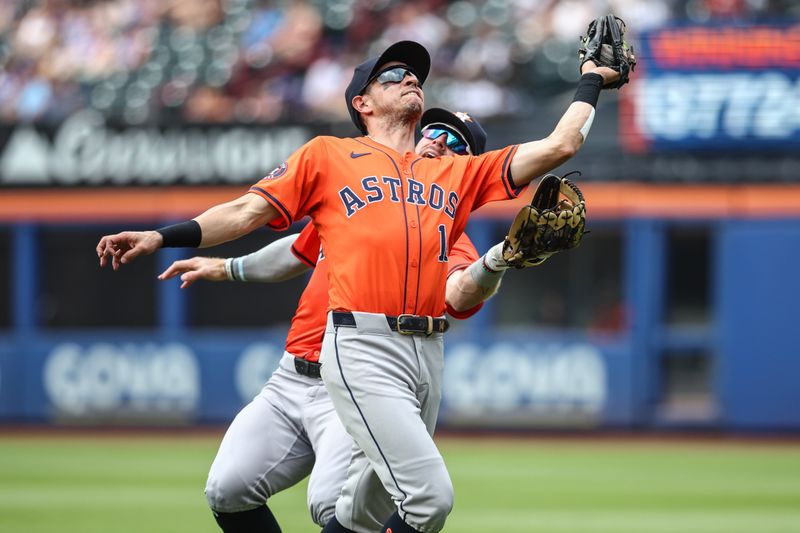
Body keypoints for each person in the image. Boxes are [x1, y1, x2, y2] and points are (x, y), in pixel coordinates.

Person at [96, 40, 621, 533]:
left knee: (360, 510)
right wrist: (166, 238)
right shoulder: (329, 156)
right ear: (361, 102)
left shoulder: (453, 182)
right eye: (395, 74)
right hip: (352, 348)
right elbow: (253, 216)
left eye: (415, 74)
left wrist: (591, 80)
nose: (412, 77)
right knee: (244, 490)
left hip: (422, 354)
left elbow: (562, 144)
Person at [158, 109, 515, 533]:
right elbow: (297, 251)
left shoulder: (450, 235)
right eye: (435, 130)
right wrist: (227, 268)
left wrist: (497, 259)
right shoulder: (361, 194)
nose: (439, 142)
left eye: (458, 144)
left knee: (332, 506)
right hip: (290, 376)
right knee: (227, 490)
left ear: (468, 169)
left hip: (354, 379)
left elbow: (458, 292)